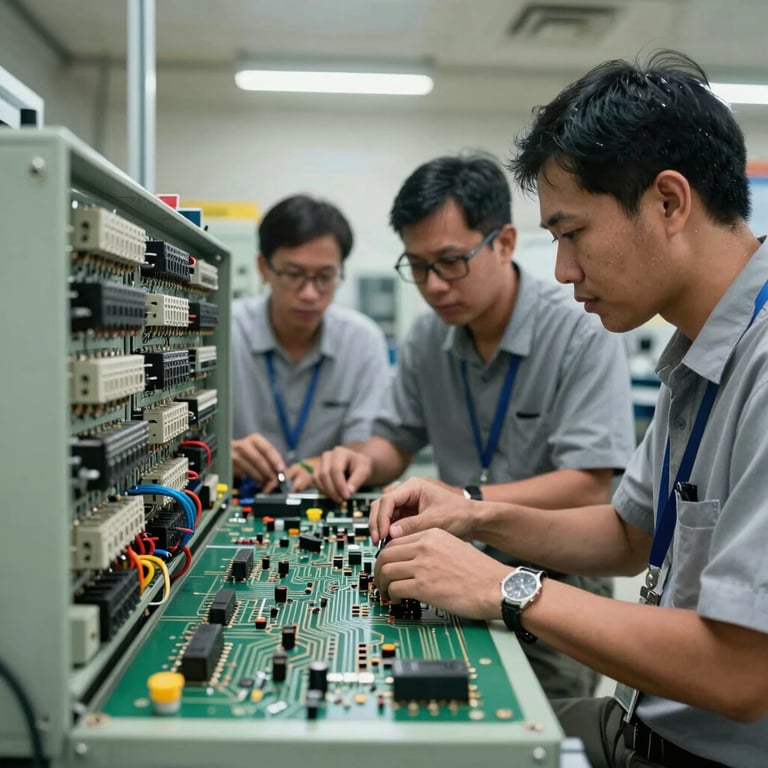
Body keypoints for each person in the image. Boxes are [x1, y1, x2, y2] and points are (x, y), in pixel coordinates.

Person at [370, 51, 768, 768]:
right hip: (640, 720)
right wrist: (474, 514)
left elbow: (743, 673)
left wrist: (502, 585)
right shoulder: (699, 348)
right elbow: (627, 532)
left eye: (573, 233)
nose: (562, 271)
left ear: (669, 203)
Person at [314, 154, 636, 698]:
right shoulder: (425, 338)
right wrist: (363, 459)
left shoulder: (581, 331)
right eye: (417, 266)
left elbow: (588, 484)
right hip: (451, 572)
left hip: (553, 583)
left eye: (450, 261)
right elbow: (395, 438)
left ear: (505, 242)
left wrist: (465, 502)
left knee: (535, 725)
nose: (434, 285)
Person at [231, 194, 390, 492]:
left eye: (325, 277)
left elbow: (368, 446)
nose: (309, 294)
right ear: (263, 267)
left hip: (328, 501)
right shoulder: (226, 334)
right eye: (294, 274)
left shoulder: (362, 342)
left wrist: (331, 463)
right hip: (240, 497)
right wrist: (219, 454)